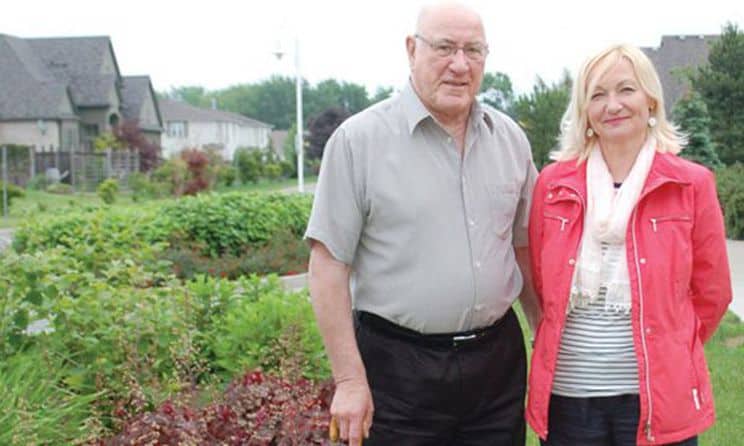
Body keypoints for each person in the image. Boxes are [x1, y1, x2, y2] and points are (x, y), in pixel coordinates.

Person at [305, 2, 539, 445]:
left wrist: (544, 331)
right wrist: (351, 381)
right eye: (444, 48)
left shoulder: (510, 140)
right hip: (399, 370)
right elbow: (327, 268)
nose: (459, 64)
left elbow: (523, 248)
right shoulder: (358, 142)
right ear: (412, 50)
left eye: (473, 50)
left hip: (496, 366)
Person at [525, 43, 733, 446]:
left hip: (657, 398)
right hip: (569, 398)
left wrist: (669, 343)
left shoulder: (691, 184)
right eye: (597, 94)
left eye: (626, 90)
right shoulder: (553, 185)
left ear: (650, 99)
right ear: (584, 110)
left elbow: (713, 293)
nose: (613, 105)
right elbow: (541, 280)